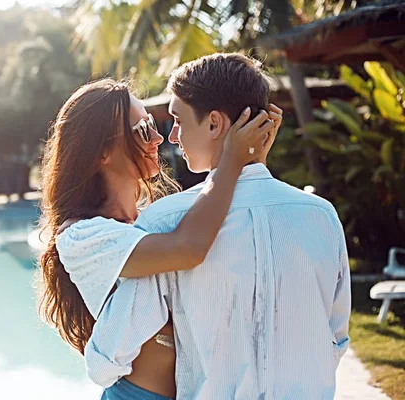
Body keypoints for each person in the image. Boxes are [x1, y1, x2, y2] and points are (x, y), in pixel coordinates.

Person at [83, 53, 351, 399]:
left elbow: (108, 359)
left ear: (213, 124)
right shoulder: (321, 216)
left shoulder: (165, 221)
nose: (173, 136)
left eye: (178, 121)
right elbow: (336, 337)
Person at [38, 73, 281, 398]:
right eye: (141, 130)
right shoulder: (82, 237)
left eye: (152, 124)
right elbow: (188, 249)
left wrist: (255, 161)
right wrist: (233, 161)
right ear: (101, 153)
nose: (157, 138)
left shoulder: (154, 218)